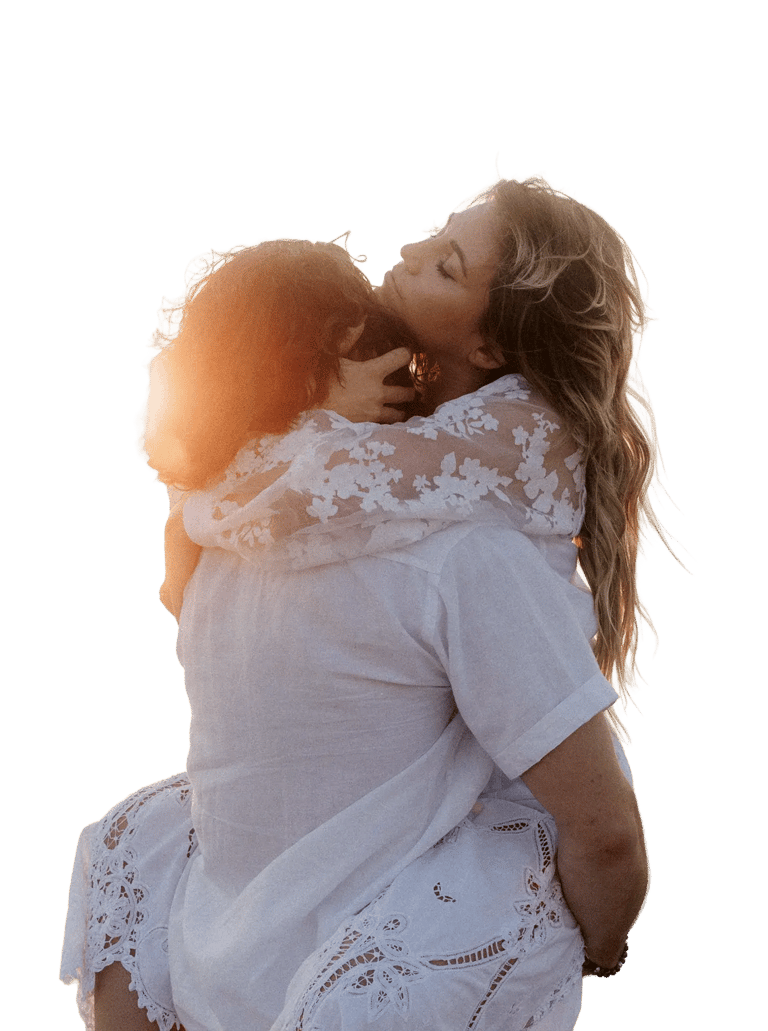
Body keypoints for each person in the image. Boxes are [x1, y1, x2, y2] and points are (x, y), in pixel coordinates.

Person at [60, 171, 687, 1031]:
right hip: (381, 976)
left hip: (215, 961)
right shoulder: (469, 554)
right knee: (529, 862)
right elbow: (608, 836)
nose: (409, 250)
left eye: (447, 259)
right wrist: (597, 943)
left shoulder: (221, 528)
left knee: (141, 835)